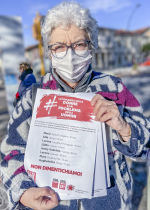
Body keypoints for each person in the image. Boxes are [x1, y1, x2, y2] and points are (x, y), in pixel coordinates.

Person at [0, 2, 150, 210]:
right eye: (59, 46)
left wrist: (123, 127)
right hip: (51, 204)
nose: (70, 54)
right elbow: (10, 153)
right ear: (50, 52)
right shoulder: (33, 96)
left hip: (108, 203)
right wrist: (23, 191)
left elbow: (144, 148)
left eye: (79, 44)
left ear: (92, 45)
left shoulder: (114, 88)